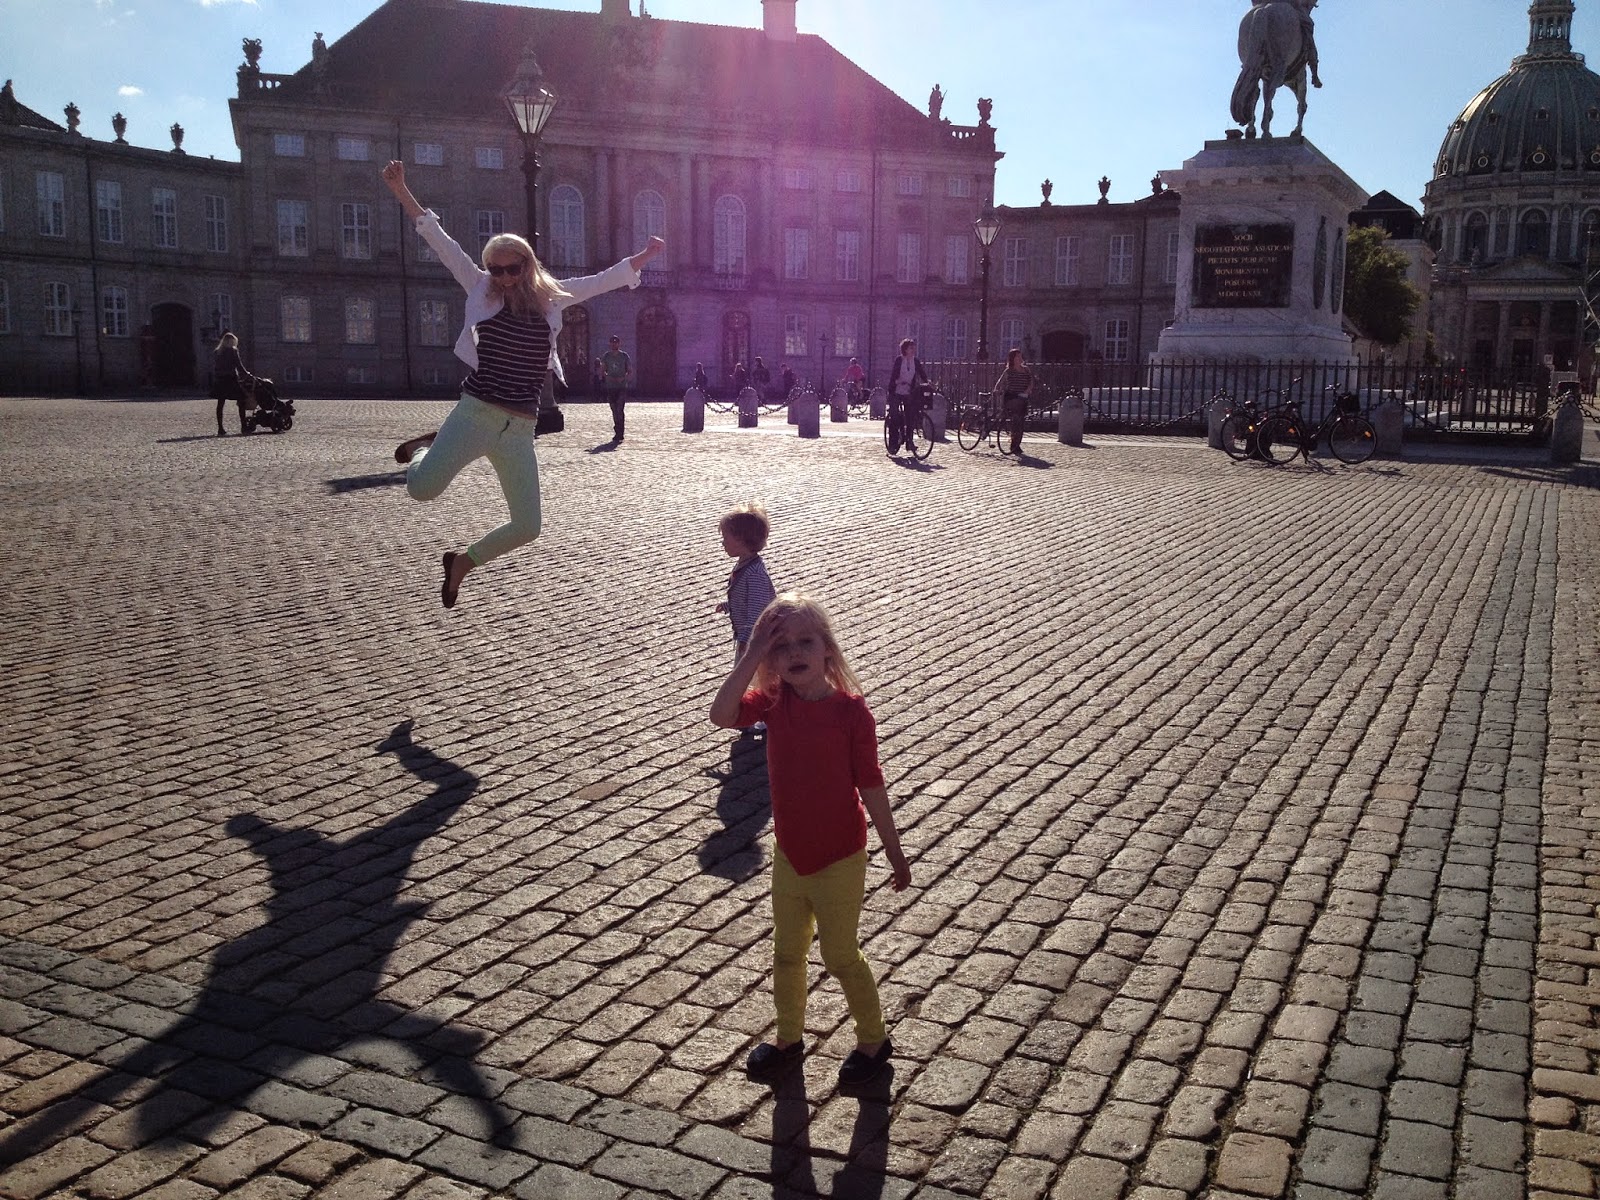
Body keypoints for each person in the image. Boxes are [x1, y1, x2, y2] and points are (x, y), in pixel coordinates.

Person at [380, 159, 664, 608]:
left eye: (512, 269)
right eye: (497, 270)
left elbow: (602, 281)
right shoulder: (479, 287)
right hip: (476, 414)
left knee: (528, 526)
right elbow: (439, 240)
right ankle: (423, 451)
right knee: (421, 490)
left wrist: (643, 257)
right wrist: (401, 190)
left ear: (527, 265)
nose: (505, 278)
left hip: (519, 429)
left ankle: (462, 563)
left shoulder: (551, 298)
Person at [709, 594, 912, 1086]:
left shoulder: (850, 712)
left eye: (805, 642)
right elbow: (720, 715)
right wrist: (752, 651)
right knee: (786, 952)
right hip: (790, 854)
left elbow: (871, 783)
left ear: (827, 650)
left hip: (840, 855)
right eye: (782, 646)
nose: (794, 653)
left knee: (840, 955)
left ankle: (873, 1039)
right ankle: (788, 1038)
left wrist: (894, 849)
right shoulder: (773, 701)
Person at [714, 503, 777, 665]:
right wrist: (729, 605)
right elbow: (745, 599)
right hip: (748, 640)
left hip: (755, 644)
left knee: (747, 675)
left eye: (726, 538)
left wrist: (745, 641)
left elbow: (757, 612)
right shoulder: (744, 564)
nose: (723, 543)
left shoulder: (754, 573)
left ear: (741, 540)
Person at [886, 338, 929, 455]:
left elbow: (922, 373)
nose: (913, 350)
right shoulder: (899, 360)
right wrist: (898, 381)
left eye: (914, 347)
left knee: (911, 417)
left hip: (908, 391)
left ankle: (909, 442)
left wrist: (927, 382)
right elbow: (894, 376)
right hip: (896, 391)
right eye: (911, 348)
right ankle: (893, 444)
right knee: (895, 417)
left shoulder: (915, 361)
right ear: (905, 349)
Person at [992, 347, 1036, 455]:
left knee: (1020, 422)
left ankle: (1016, 444)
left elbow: (1031, 381)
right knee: (1016, 419)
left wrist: (1027, 390)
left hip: (1023, 397)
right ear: (1013, 359)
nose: (1020, 358)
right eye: (1017, 357)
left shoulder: (1026, 370)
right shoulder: (1009, 370)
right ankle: (1014, 445)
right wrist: (996, 390)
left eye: (1021, 356)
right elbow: (1001, 382)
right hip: (1011, 397)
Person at [210, 332, 255, 437]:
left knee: (220, 404)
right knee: (241, 401)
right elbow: (239, 365)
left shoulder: (217, 352)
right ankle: (243, 426)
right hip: (231, 379)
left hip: (220, 380)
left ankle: (220, 428)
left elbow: (215, 367)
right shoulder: (233, 351)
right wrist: (247, 374)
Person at [600, 335, 633, 442]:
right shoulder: (607, 356)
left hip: (621, 386)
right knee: (614, 409)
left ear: (619, 343)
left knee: (620, 409)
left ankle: (620, 432)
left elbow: (629, 371)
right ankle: (617, 428)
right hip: (611, 386)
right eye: (612, 342)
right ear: (610, 344)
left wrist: (623, 378)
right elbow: (603, 370)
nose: (614, 344)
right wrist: (608, 377)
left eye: (616, 342)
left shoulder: (624, 356)